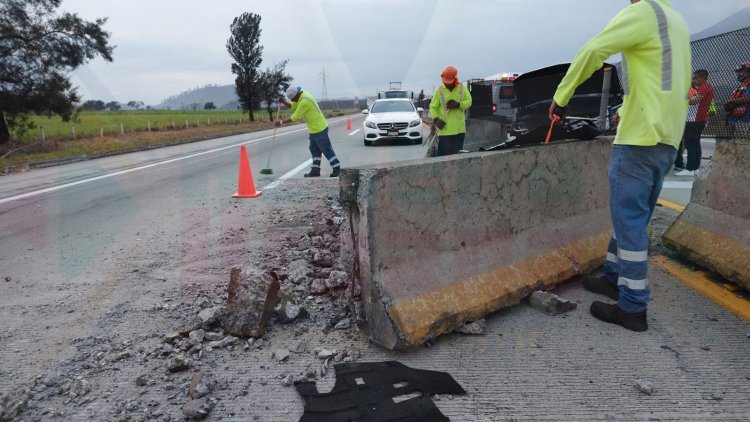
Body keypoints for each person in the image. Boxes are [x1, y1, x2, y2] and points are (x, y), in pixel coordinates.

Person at [548, 0, 690, 332]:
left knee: (629, 223)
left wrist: (562, 95)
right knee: (631, 217)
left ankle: (633, 306)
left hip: (640, 141)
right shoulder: (675, 20)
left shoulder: (642, 13)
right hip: (667, 139)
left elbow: (593, 51)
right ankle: (614, 276)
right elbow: (660, 82)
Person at [276, 86, 341, 178]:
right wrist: (284, 102)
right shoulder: (302, 96)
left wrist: (281, 122)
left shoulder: (304, 102)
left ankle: (336, 168)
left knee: (326, 149)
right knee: (314, 150)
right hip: (314, 129)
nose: (292, 100)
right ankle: (315, 171)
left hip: (319, 129)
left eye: (292, 98)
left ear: (296, 95)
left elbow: (294, 117)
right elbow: (292, 105)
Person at [675, 69, 714, 176]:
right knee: (695, 144)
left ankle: (690, 169)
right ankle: (695, 168)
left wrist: (679, 98)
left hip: (695, 120)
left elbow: (694, 101)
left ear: (704, 78)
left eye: (696, 78)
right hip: (696, 120)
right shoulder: (703, 88)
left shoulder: (705, 87)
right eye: (694, 77)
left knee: (691, 144)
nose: (694, 80)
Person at [429, 65, 472, 156]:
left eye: (449, 82)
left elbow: (469, 102)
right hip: (445, 130)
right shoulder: (439, 90)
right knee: (443, 158)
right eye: (445, 82)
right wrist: (436, 120)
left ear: (455, 79)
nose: (447, 84)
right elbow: (433, 107)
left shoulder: (462, 88)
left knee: (457, 158)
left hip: (459, 130)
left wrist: (458, 104)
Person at [724, 61, 750, 139]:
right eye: (738, 72)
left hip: (744, 119)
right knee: (730, 144)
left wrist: (731, 101)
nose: (739, 74)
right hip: (733, 118)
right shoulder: (741, 86)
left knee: (740, 143)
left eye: (741, 71)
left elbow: (748, 98)